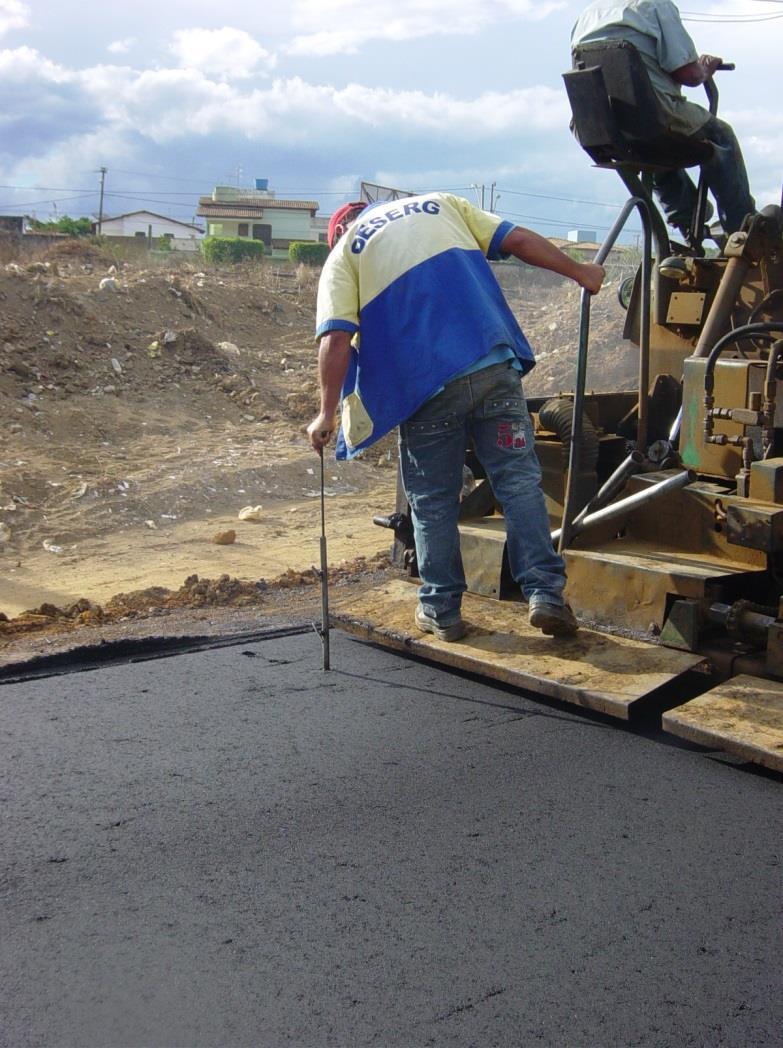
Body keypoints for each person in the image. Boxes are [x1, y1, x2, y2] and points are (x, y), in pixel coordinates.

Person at [307, 193, 605, 641]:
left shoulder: (346, 254)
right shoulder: (440, 204)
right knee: (518, 481)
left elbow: (335, 339)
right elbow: (519, 240)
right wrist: (582, 273)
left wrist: (326, 413)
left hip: (427, 389)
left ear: (338, 232)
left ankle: (441, 609)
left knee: (432, 499)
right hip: (493, 366)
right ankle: (546, 593)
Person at [571, 0, 755, 237]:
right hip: (653, 115)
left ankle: (688, 218)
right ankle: (743, 229)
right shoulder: (655, 5)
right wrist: (705, 68)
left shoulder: (588, 15)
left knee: (654, 146)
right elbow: (688, 73)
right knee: (721, 136)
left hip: (600, 127)